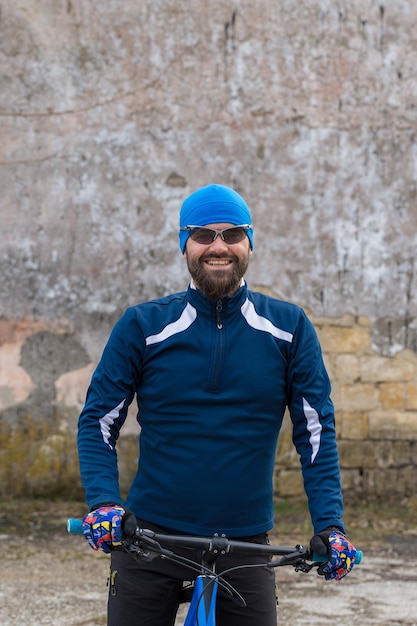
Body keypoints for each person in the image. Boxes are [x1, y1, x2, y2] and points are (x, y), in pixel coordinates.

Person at [78, 183, 358, 626]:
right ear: (184, 245)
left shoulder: (289, 328)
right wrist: (103, 503)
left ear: (249, 243)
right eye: (203, 234)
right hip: (148, 540)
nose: (218, 246)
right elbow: (98, 420)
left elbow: (316, 432)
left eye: (232, 234)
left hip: (246, 546)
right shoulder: (143, 325)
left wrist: (331, 526)